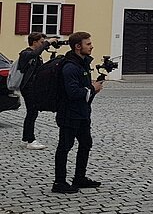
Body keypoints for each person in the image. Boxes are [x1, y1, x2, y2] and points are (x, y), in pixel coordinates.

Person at [52, 31, 103, 194]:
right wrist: (92, 89)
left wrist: (92, 87)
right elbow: (73, 92)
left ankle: (79, 177)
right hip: (69, 114)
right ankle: (59, 182)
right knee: (65, 147)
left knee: (86, 143)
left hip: (82, 113)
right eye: (88, 44)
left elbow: (84, 88)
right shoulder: (70, 67)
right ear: (77, 46)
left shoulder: (83, 64)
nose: (91, 46)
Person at [19, 32, 58, 150]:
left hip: (33, 87)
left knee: (32, 113)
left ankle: (26, 139)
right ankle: (30, 140)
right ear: (34, 42)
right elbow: (35, 53)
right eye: (41, 42)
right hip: (28, 87)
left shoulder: (35, 55)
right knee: (32, 113)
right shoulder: (26, 53)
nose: (43, 45)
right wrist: (48, 42)